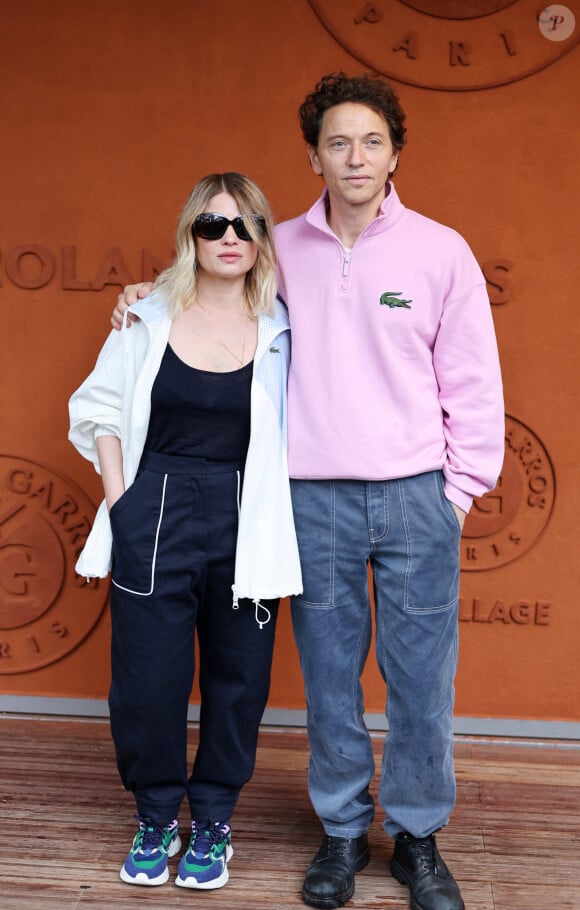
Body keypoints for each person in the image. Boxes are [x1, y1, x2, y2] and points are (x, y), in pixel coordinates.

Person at [111, 73, 504, 910]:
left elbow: (473, 384)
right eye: (337, 142)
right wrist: (143, 298)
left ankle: (418, 838)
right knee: (329, 680)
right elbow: (212, 283)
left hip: (416, 496)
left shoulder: (441, 252)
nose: (354, 156)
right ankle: (340, 835)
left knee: (422, 681)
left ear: (396, 151)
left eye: (370, 140)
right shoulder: (281, 247)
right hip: (310, 499)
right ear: (314, 156)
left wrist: (457, 494)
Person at [68, 172, 302, 892]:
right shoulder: (147, 318)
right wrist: (124, 503)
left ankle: (216, 817)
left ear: (262, 238)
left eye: (243, 224)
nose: (228, 237)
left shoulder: (286, 329)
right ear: (191, 238)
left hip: (246, 515)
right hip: (156, 510)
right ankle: (157, 815)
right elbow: (98, 409)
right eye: (212, 225)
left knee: (238, 679)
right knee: (148, 679)